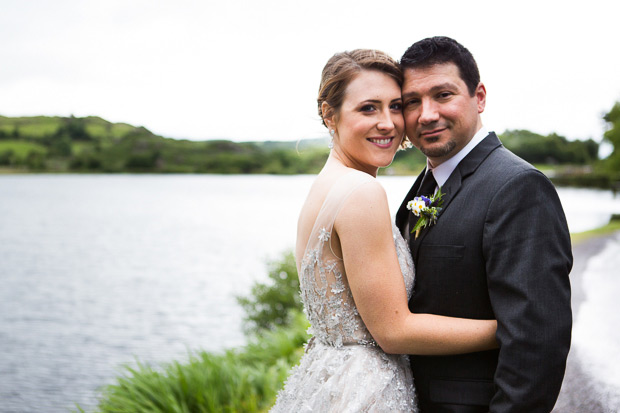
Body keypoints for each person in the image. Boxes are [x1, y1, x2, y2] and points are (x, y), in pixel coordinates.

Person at [271, 49, 498, 412]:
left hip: (330, 377)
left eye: (395, 106)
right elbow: (394, 332)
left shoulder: (327, 185)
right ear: (330, 116)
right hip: (367, 391)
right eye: (368, 108)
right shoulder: (362, 192)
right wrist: (508, 329)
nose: (389, 123)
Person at [395, 36, 573, 412]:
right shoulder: (426, 184)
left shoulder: (518, 187)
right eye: (412, 101)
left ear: (479, 97)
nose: (426, 114)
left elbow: (536, 340)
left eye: (443, 95)